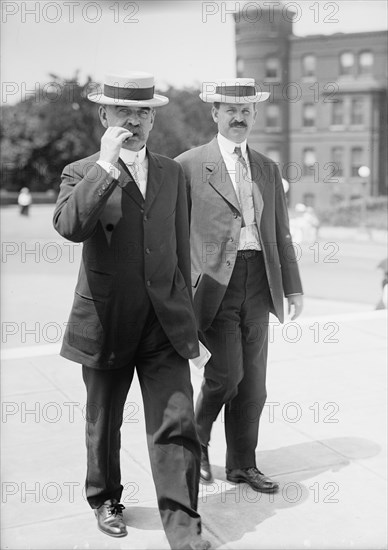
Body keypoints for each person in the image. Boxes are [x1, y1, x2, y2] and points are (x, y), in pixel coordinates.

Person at [53, 71, 210, 550]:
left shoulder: (171, 172)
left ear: (153, 118)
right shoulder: (82, 172)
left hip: (163, 322)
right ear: (104, 115)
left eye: (144, 111)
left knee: (177, 421)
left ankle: (184, 530)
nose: (135, 120)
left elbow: (180, 252)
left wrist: (190, 323)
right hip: (104, 320)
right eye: (124, 111)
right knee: (104, 421)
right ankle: (104, 498)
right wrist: (105, 164)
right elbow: (69, 226)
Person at [175, 78, 303, 492]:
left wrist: (293, 287)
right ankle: (195, 439)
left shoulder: (267, 167)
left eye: (246, 110)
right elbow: (174, 234)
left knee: (253, 385)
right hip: (214, 285)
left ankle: (242, 465)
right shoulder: (189, 165)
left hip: (259, 281)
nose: (238, 117)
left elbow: (280, 232)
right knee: (225, 376)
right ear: (214, 113)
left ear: (254, 114)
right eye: (230, 109)